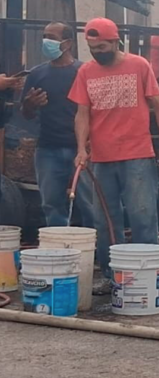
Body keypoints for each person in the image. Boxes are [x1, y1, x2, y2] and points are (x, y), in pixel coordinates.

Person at [70, 17, 159, 278]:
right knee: (105, 221)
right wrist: (81, 149)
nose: (97, 53)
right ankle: (111, 274)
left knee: (142, 216)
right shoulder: (85, 72)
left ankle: (147, 274)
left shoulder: (139, 65)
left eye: (102, 47)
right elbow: (82, 113)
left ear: (116, 41)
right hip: (102, 159)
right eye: (93, 48)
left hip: (137, 154)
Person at [20, 22, 94, 227]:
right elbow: (25, 115)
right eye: (44, 36)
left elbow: (95, 111)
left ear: (67, 43)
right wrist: (29, 104)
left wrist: (89, 144)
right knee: (52, 204)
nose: (46, 41)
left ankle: (96, 247)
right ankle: (60, 246)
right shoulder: (37, 74)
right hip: (48, 149)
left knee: (90, 203)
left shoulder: (84, 71)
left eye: (52, 37)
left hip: (81, 149)